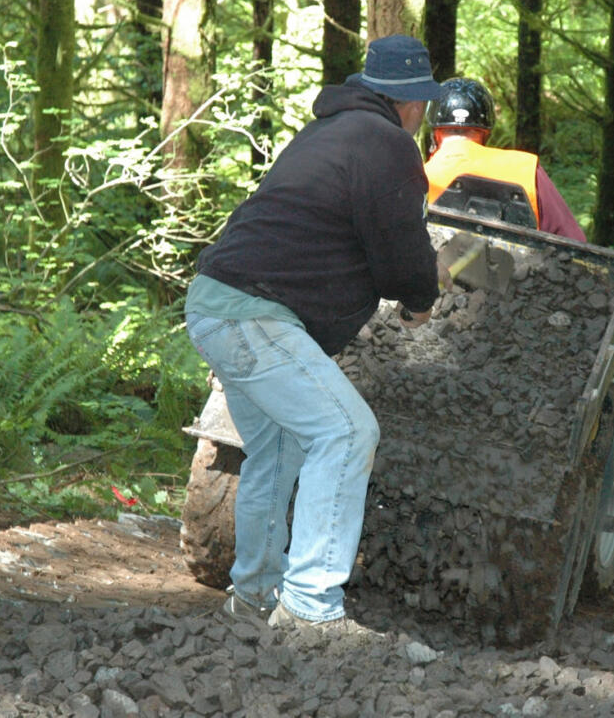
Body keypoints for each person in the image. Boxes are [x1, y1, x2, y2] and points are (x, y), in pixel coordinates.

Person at [184, 35, 445, 633]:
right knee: (349, 432)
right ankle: (310, 611)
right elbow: (400, 253)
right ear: (409, 103)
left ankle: (251, 601)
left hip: (216, 304)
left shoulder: (327, 133)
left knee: (278, 453)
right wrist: (422, 298)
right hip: (255, 315)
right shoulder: (387, 144)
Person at [424, 77, 587, 242]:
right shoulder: (526, 169)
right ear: (486, 132)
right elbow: (574, 243)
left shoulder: (417, 177)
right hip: (521, 267)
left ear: (434, 133)